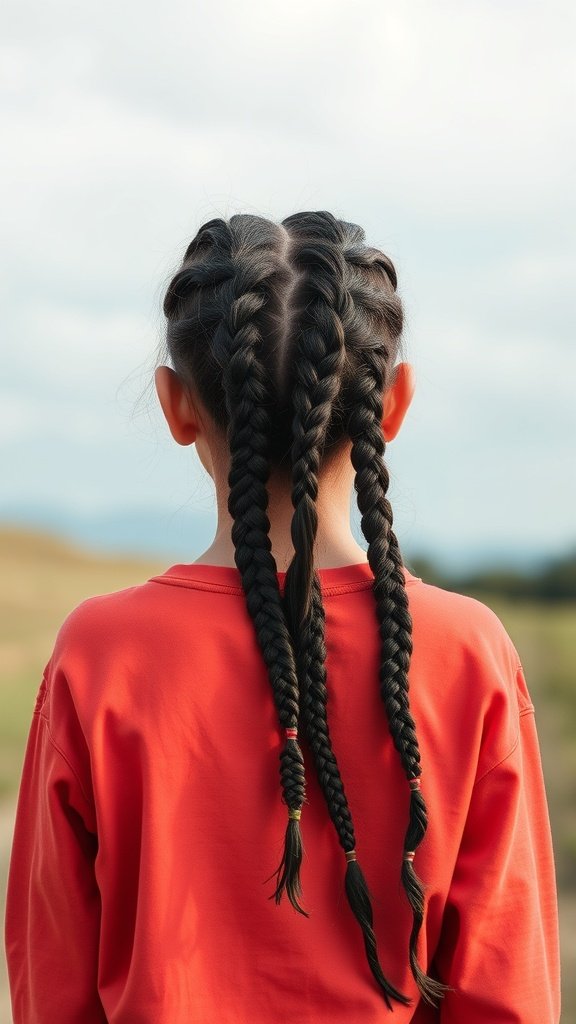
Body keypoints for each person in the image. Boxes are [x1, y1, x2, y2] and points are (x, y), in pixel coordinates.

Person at [4, 211, 561, 1022]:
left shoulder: (101, 654)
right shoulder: (467, 651)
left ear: (176, 405)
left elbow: (52, 987)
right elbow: (507, 995)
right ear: (394, 406)